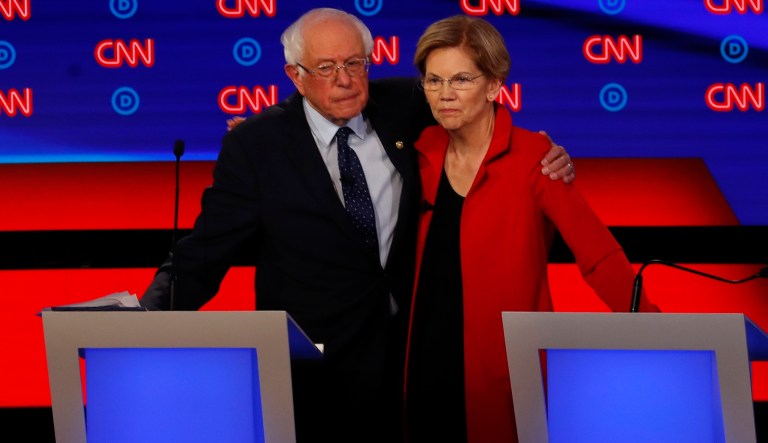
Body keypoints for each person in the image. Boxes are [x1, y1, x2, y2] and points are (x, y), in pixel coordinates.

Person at [140, 8, 575, 443]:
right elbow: (205, 251)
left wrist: (544, 151)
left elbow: (478, 119)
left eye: (354, 64)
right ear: (296, 74)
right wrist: (143, 317)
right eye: (326, 68)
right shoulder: (257, 145)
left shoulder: (407, 105)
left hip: (411, 358)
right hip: (316, 372)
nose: (344, 79)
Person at [403, 15, 660, 443]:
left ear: (493, 85)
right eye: (434, 80)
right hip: (424, 358)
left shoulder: (534, 159)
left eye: (461, 79)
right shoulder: (417, 151)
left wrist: (656, 331)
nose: (445, 94)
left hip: (503, 365)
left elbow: (597, 253)